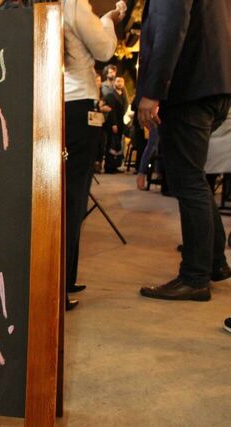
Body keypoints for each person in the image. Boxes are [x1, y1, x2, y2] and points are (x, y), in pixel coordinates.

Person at [136, 0, 231, 302]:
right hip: (214, 86)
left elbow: (170, 28)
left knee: (188, 181)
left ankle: (194, 277)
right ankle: (214, 262)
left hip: (188, 87)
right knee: (194, 178)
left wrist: (152, 92)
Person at [62, 0, 125, 310]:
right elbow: (103, 49)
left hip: (54, 101)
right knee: (73, 196)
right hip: (79, 105)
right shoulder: (72, 3)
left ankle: (65, 278)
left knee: (62, 195)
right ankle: (60, 284)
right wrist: (108, 20)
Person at [103, 76, 128, 173]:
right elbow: (111, 111)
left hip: (121, 122)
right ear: (114, 83)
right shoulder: (110, 95)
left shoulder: (124, 96)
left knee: (118, 145)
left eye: (122, 81)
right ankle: (109, 166)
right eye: (118, 81)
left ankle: (116, 165)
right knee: (111, 144)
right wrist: (113, 124)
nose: (120, 83)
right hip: (113, 123)